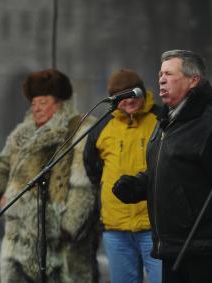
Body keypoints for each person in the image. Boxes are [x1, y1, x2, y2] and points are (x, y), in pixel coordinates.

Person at [112, 50, 212, 283]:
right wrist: (139, 185)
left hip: (205, 252)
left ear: (194, 80)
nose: (161, 79)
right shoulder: (166, 120)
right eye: (160, 73)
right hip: (171, 247)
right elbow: (171, 171)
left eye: (170, 74)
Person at [0, 69, 99, 283]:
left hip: (59, 241)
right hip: (18, 237)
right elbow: (0, 164)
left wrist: (67, 228)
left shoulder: (78, 130)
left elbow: (83, 186)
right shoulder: (22, 133)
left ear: (59, 104)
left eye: (43, 102)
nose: (36, 108)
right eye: (34, 102)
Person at [83, 69, 162, 283]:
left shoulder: (162, 119)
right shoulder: (101, 127)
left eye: (132, 95)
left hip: (155, 227)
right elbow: (92, 167)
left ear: (142, 92)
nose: (128, 101)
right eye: (121, 97)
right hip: (115, 229)